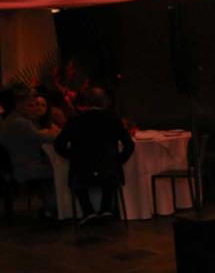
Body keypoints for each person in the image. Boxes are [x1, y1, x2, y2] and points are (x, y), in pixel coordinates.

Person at [54, 87, 134, 223]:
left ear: (84, 102)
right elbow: (129, 145)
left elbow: (59, 145)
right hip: (110, 171)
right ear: (104, 101)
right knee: (109, 174)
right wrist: (118, 160)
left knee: (78, 176)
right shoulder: (113, 119)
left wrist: (74, 157)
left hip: (82, 171)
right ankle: (106, 208)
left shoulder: (75, 120)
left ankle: (88, 210)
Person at [0, 88, 59, 216]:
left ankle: (50, 207)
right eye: (30, 105)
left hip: (16, 166)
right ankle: (53, 208)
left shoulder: (12, 119)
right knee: (59, 170)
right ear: (19, 105)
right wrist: (60, 134)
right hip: (24, 167)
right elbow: (42, 138)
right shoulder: (21, 122)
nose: (34, 109)